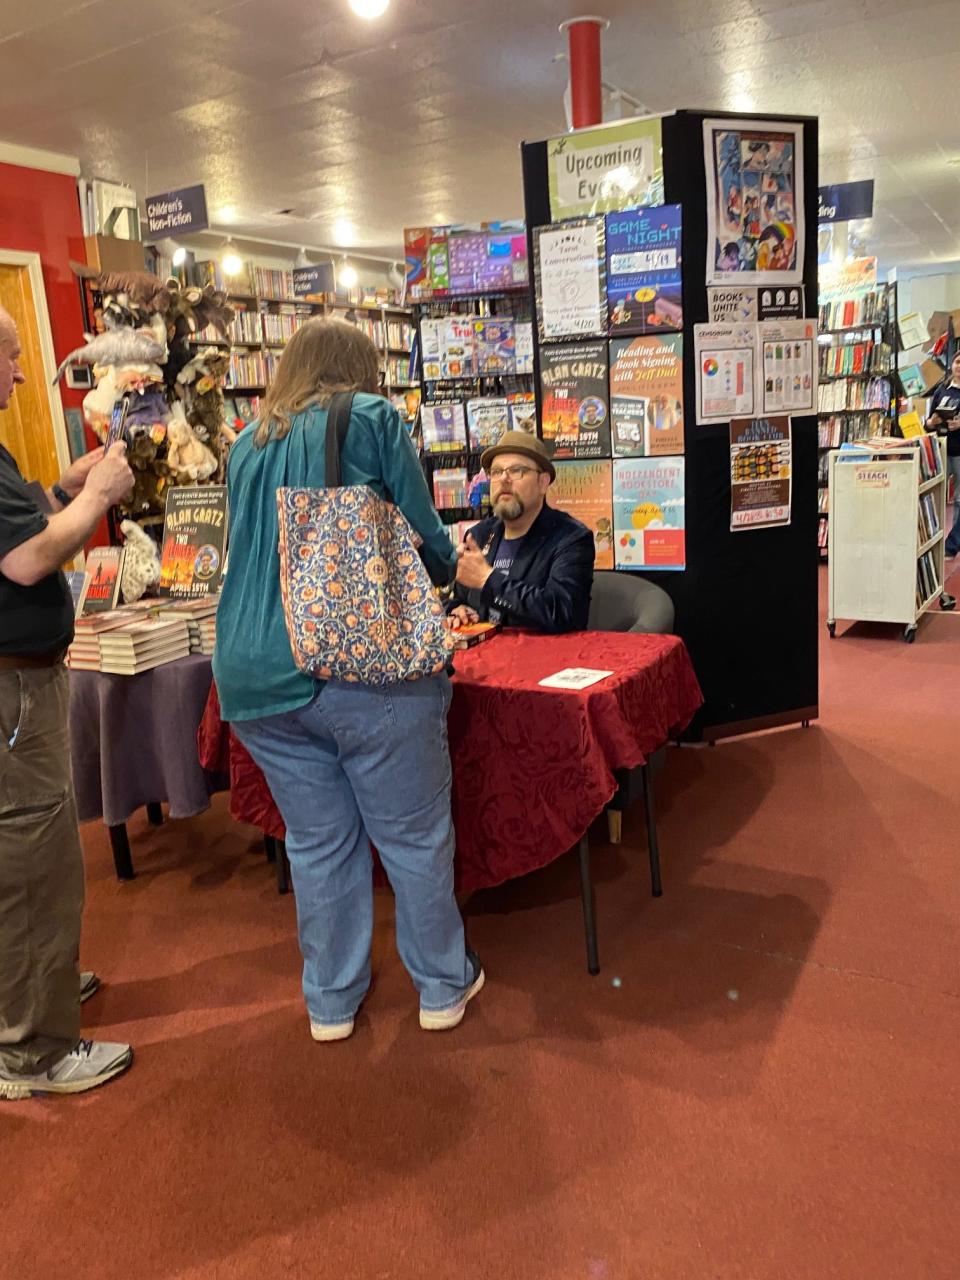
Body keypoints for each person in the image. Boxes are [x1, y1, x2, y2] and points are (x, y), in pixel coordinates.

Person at [213, 318, 482, 1042]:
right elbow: (426, 531)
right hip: (354, 659)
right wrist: (442, 577)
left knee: (318, 841)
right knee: (414, 835)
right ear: (359, 367)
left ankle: (331, 1001)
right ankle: (441, 986)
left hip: (252, 673)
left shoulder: (246, 441)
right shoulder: (368, 416)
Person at [0, 305, 135, 1099]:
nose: (20, 375)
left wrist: (60, 489)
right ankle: (35, 1050)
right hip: (13, 691)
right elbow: (26, 560)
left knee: (28, 851)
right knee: (33, 857)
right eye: (11, 358)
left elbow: (20, 526)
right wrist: (100, 498)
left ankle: (34, 992)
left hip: (21, 684)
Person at [449, 431, 594, 633]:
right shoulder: (478, 535)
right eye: (496, 471)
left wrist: (488, 580)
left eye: (517, 470)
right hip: (485, 658)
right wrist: (456, 610)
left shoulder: (571, 538)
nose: (503, 480)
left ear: (543, 483)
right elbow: (459, 597)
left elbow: (562, 612)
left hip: (544, 659)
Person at [927, 352, 960, 557]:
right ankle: (933, 540)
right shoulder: (941, 390)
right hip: (941, 449)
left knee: (959, 500)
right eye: (957, 362)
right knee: (934, 495)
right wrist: (932, 423)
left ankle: (952, 545)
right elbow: (928, 422)